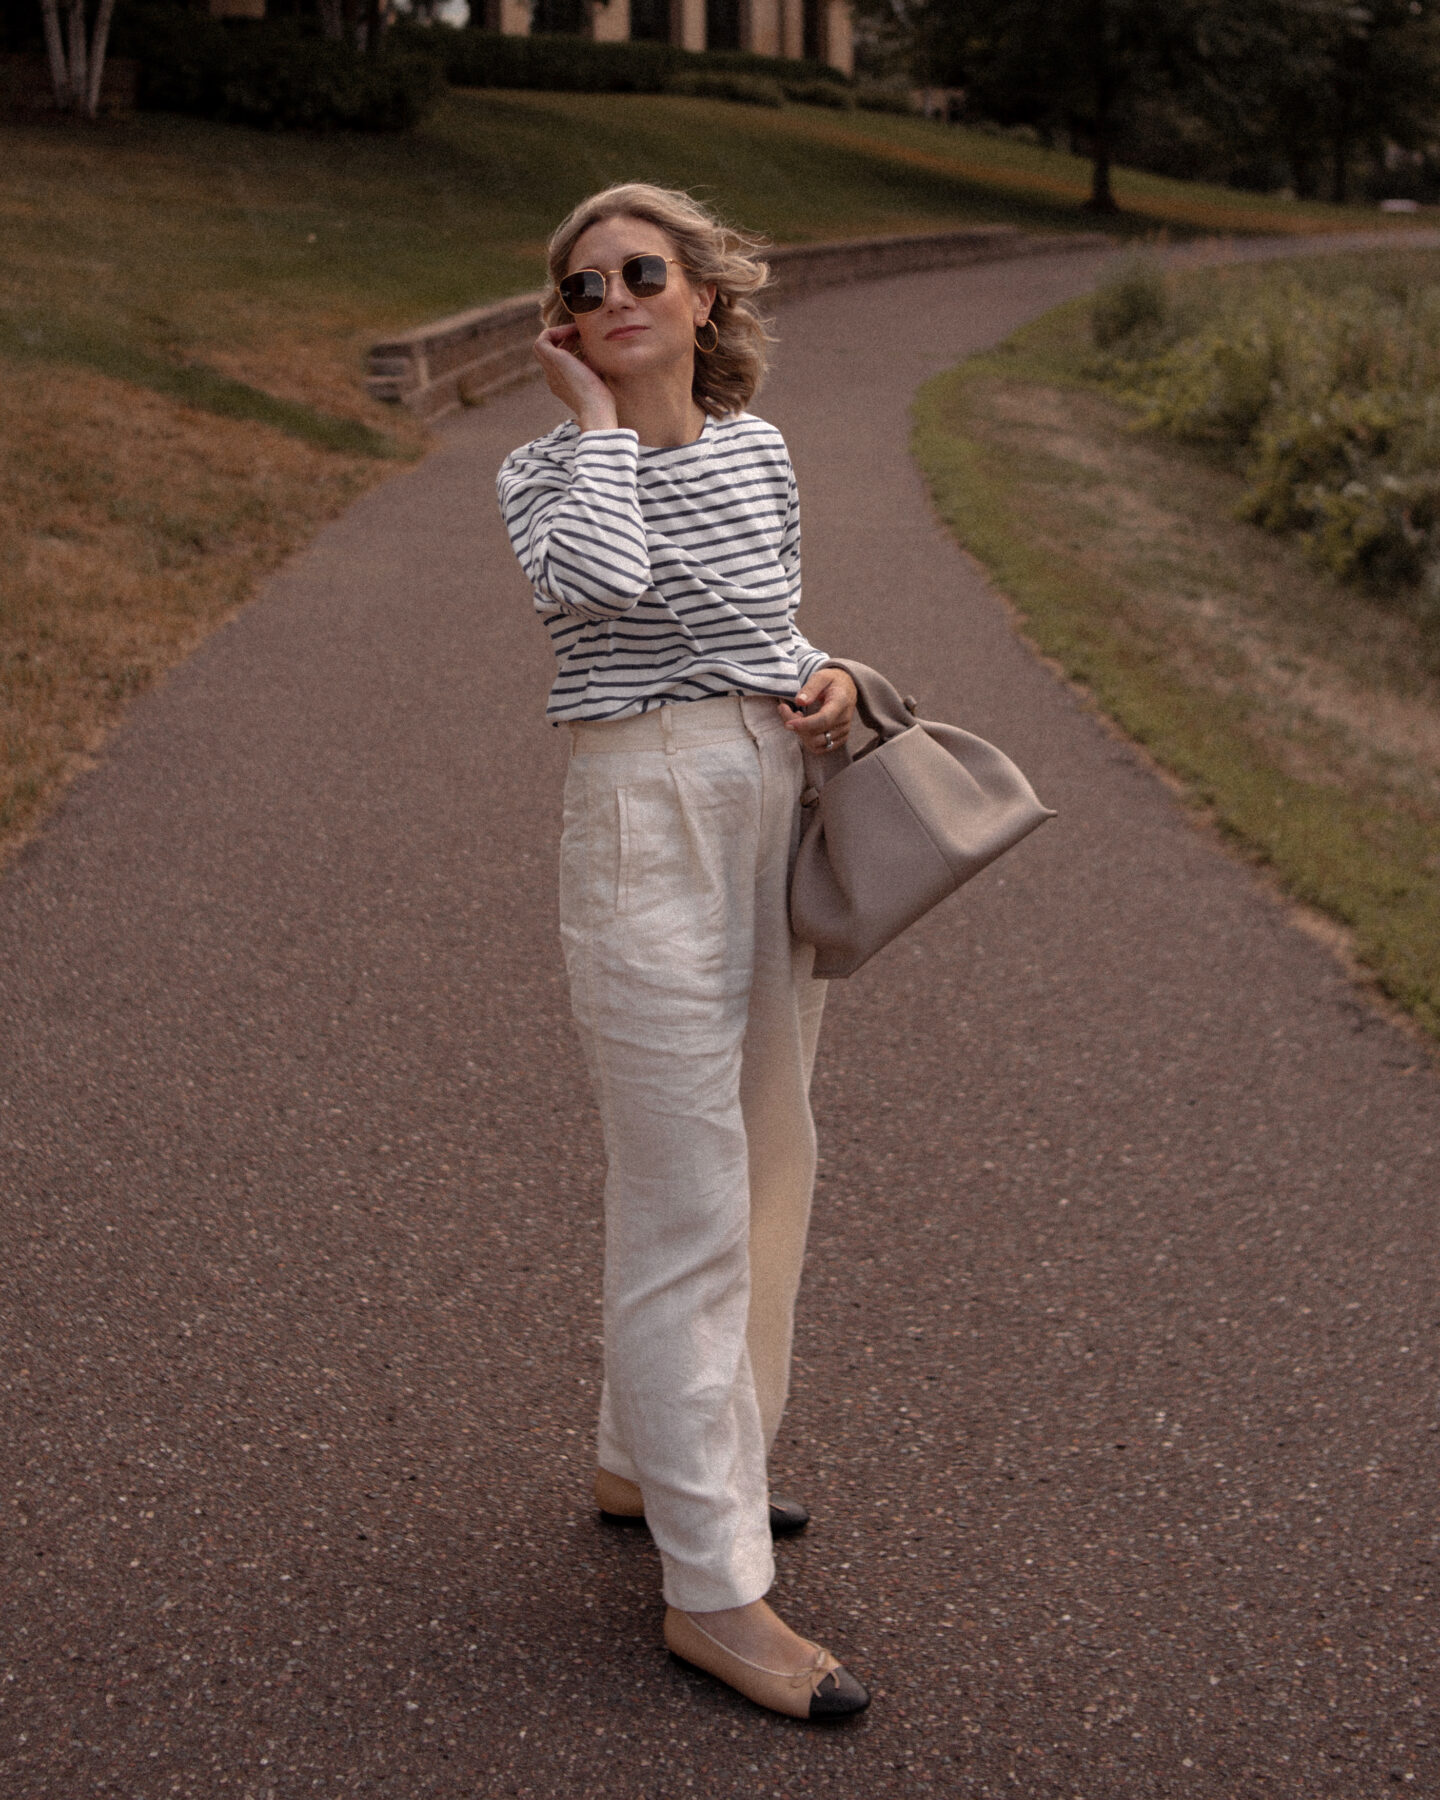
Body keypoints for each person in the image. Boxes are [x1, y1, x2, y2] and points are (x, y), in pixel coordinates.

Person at [496, 183, 867, 1722]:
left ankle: (651, 1462)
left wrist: (833, 674)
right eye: (585, 289)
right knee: (687, 1194)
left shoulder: (761, 450)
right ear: (564, 326)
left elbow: (763, 620)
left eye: (643, 272)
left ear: (703, 294)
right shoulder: (544, 470)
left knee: (773, 1148)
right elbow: (601, 589)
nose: (616, 297)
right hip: (641, 807)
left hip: (764, 797)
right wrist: (594, 418)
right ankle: (713, 1591)